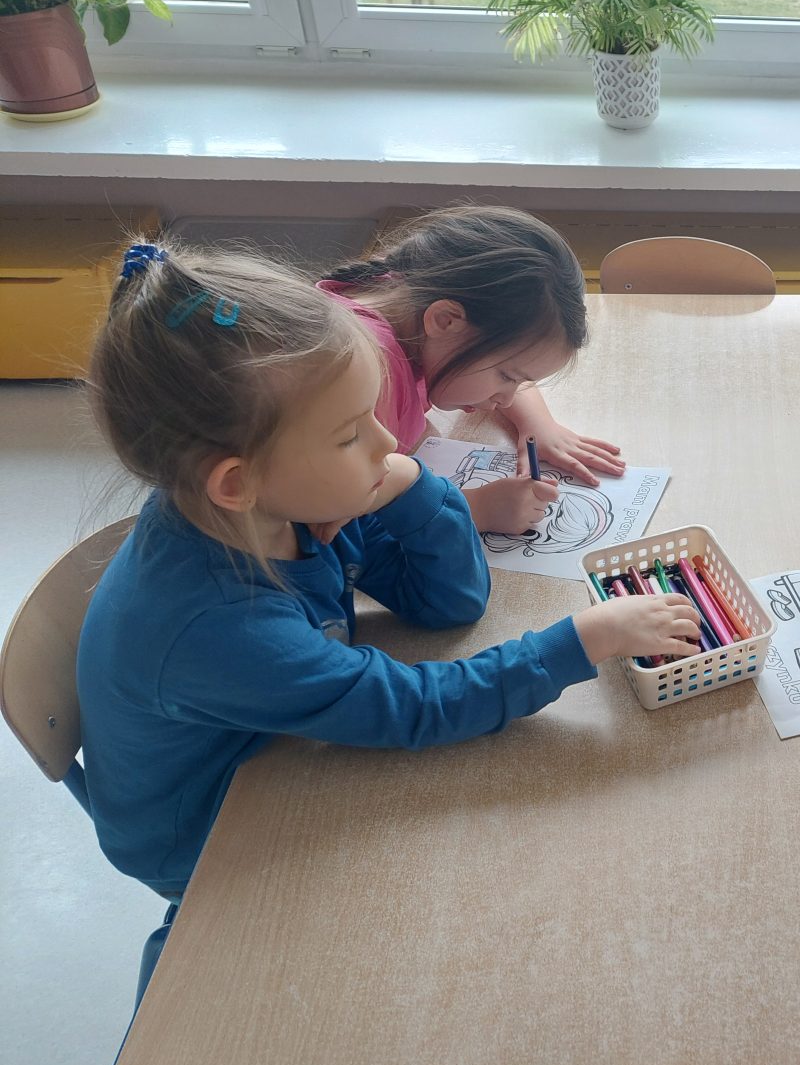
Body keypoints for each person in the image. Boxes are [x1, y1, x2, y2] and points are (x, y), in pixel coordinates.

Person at [78, 240, 700, 900]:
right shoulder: (219, 627)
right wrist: (584, 640)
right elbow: (416, 709)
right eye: (351, 434)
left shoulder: (288, 504)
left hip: (283, 750)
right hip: (211, 843)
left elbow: (450, 602)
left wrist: (410, 483)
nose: (387, 442)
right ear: (237, 481)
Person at [320, 205, 623, 536]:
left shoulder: (401, 291)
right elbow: (336, 520)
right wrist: (476, 509)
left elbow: (502, 356)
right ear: (445, 321)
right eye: (507, 377)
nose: (507, 399)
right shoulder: (360, 371)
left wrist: (538, 425)